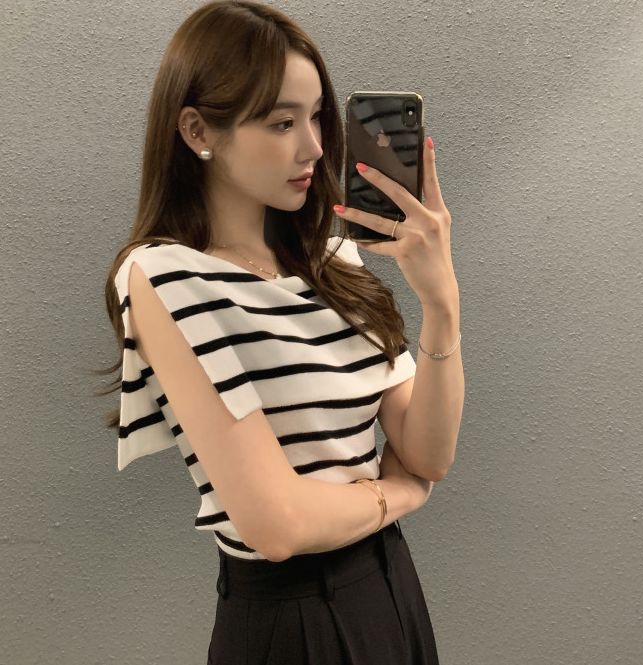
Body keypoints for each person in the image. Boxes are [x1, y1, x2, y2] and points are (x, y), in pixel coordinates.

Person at [102, 1, 463, 663]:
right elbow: (276, 525)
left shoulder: (335, 261)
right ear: (197, 130)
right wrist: (397, 492)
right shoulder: (163, 277)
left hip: (392, 590)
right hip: (292, 622)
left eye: (317, 116)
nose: (315, 147)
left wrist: (440, 303)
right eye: (281, 122)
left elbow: (427, 452)